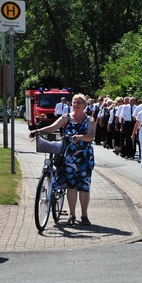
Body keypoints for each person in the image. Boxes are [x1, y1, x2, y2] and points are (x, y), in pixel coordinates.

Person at [29, 94, 96, 226]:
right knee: (71, 185)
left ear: (84, 105)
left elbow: (91, 136)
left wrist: (80, 137)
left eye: (79, 103)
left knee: (84, 186)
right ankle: (72, 215)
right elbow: (52, 128)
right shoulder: (66, 117)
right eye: (74, 102)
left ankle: (84, 215)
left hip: (84, 157)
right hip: (69, 156)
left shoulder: (90, 120)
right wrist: (37, 131)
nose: (76, 105)